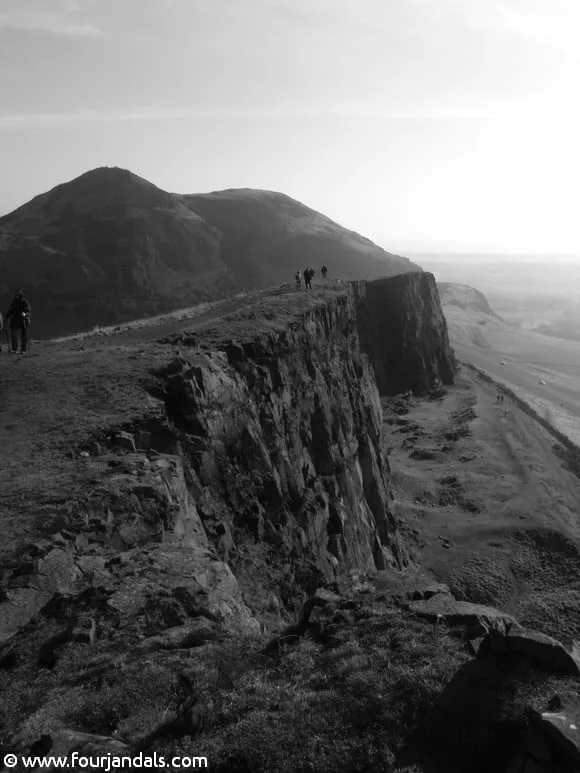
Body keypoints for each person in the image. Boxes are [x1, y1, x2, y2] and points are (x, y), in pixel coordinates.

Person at [5, 290, 31, 354]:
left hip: (23, 320)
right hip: (15, 319)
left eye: (18, 295)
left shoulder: (24, 302)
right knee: (13, 335)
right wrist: (6, 317)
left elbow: (28, 311)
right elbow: (10, 310)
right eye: (16, 295)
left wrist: (24, 314)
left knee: (24, 336)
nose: (17, 296)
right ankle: (14, 349)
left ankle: (23, 349)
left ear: (21, 295)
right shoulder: (13, 302)